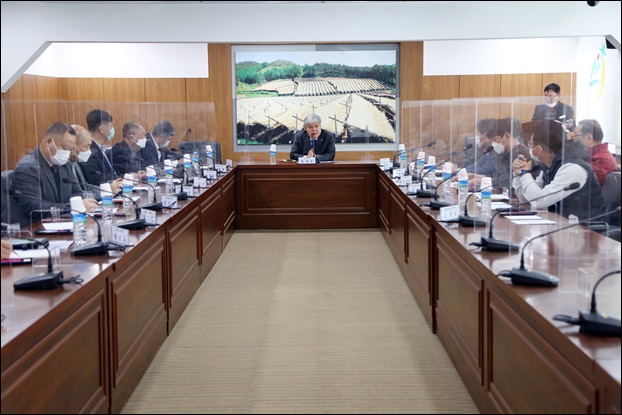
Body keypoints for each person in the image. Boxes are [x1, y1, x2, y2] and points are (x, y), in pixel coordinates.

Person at [10, 122, 98, 227]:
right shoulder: (27, 168)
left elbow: (76, 192)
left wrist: (83, 204)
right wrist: (72, 207)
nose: (68, 153)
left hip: (63, 224)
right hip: (35, 229)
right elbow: (35, 207)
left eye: (70, 149)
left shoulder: (64, 163)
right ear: (49, 142)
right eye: (65, 148)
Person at [512, 120, 603, 220]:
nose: (530, 149)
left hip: (584, 227)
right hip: (561, 223)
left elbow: (539, 201)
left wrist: (524, 173)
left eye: (531, 145)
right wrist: (518, 174)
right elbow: (527, 198)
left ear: (539, 149)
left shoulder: (572, 168)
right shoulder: (549, 166)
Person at [467, 117, 531, 189]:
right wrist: (480, 177)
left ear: (507, 136)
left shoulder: (520, 155)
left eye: (495, 140)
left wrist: (482, 181)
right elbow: (499, 177)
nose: (493, 145)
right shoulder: (505, 153)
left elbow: (508, 183)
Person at [70, 125, 122, 198]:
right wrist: (107, 191)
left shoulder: (74, 163)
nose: (89, 151)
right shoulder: (65, 166)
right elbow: (76, 195)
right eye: (86, 146)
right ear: (73, 146)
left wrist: (107, 189)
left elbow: (85, 186)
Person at [80, 109, 119, 185]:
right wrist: (120, 180)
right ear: (101, 129)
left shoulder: (100, 147)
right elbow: (95, 177)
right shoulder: (89, 149)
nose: (112, 129)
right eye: (110, 126)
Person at [574, 119, 618, 187]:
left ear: (588, 138)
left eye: (576, 136)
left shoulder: (602, 160)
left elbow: (577, 181)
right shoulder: (589, 155)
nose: (574, 140)